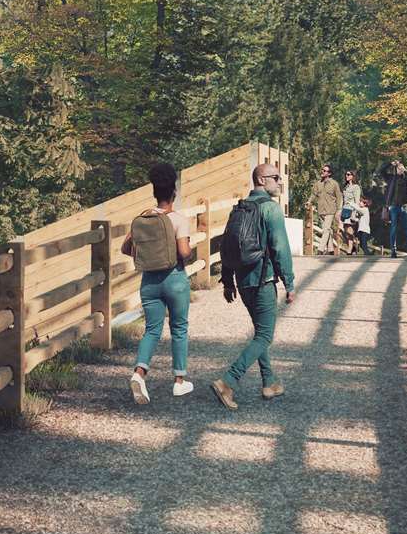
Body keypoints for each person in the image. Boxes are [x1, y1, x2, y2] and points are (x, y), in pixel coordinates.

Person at [213, 162, 296, 409]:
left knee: (260, 332)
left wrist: (228, 281)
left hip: (243, 280)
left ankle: (269, 382)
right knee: (264, 335)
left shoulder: (238, 209)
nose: (280, 182)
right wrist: (289, 283)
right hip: (263, 280)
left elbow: (226, 247)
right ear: (261, 180)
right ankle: (228, 381)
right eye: (275, 177)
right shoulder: (271, 209)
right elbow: (281, 248)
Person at [121, 162, 194, 405]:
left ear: (154, 192)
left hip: (149, 282)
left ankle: (139, 374)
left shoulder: (142, 218)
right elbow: (184, 252)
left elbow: (125, 248)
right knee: (179, 328)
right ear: (174, 192)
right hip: (174, 279)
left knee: (152, 329)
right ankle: (179, 382)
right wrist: (189, 250)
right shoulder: (178, 220)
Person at [378, 158, 407, 256]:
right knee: (393, 228)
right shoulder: (391, 178)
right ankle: (393, 251)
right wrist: (390, 164)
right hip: (393, 207)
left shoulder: (406, 178)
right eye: (398, 168)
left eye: (401, 168)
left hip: (404, 206)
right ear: (395, 169)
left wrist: (405, 170)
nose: (399, 169)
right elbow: (381, 171)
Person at [310, 164, 342, 255]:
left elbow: (339, 197)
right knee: (328, 230)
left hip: (330, 210)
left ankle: (320, 250)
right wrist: (309, 202)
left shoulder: (334, 184)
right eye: (322, 170)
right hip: (321, 210)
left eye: (324, 171)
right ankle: (331, 250)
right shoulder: (318, 183)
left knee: (326, 229)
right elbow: (313, 194)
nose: (322, 172)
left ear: (329, 173)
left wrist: (339, 209)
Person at [339, 169, 364, 256]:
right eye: (346, 174)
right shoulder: (345, 187)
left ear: (353, 176)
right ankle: (352, 246)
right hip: (344, 210)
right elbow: (342, 200)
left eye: (349, 174)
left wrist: (355, 212)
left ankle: (351, 247)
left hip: (351, 210)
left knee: (349, 230)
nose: (347, 176)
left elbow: (357, 200)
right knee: (345, 230)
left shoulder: (356, 187)